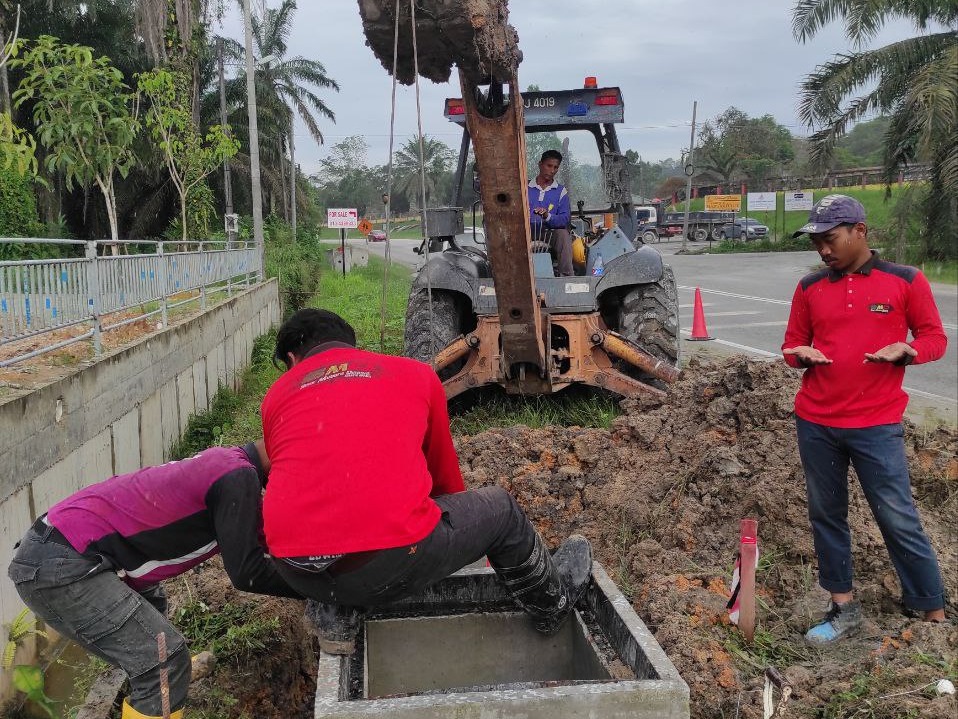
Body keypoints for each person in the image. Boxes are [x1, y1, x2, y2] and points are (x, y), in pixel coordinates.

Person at [260, 308, 591, 652]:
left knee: (338, 523)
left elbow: (300, 476)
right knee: (501, 510)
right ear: (351, 345)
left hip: (297, 570)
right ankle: (551, 605)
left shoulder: (276, 396)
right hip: (388, 563)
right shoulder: (412, 374)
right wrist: (471, 543)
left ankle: (336, 616)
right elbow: (445, 481)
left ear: (292, 358)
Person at [7, 442, 301, 719]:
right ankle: (165, 677)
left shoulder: (228, 465)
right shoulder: (238, 478)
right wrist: (322, 591)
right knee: (162, 660)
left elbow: (267, 541)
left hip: (63, 546)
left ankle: (169, 678)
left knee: (154, 607)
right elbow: (248, 572)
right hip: (60, 562)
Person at [782, 194, 948, 644]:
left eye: (829, 239)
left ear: (860, 231)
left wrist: (908, 350)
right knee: (827, 514)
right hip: (816, 422)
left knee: (896, 514)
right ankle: (843, 608)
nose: (822, 250)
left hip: (875, 424)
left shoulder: (904, 281)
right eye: (816, 242)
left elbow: (934, 337)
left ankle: (930, 607)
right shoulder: (810, 288)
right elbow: (791, 345)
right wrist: (801, 356)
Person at [528, 149, 573, 276]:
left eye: (555, 167)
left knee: (563, 234)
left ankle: (567, 277)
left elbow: (564, 219)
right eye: (549, 166)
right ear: (540, 164)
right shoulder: (525, 187)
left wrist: (548, 216)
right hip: (526, 232)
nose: (552, 170)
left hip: (549, 233)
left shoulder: (561, 191)